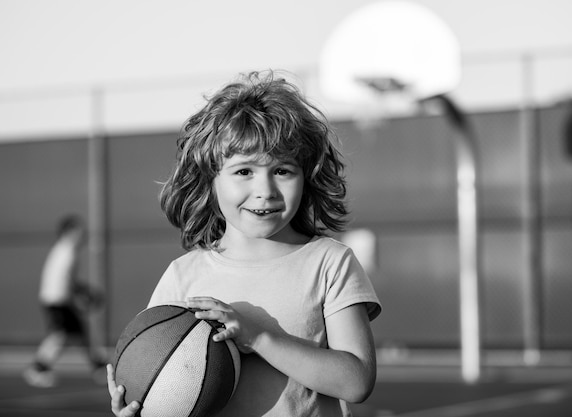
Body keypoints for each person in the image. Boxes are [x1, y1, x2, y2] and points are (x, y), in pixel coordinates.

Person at [107, 70, 381, 417]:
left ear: (306, 176)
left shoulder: (330, 263)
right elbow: (159, 376)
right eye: (243, 171)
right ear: (211, 179)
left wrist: (259, 338)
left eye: (283, 170)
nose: (265, 190)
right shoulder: (183, 276)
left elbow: (356, 382)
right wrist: (139, 403)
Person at [23, 215, 107, 387]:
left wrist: (81, 292)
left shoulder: (64, 250)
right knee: (59, 336)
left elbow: (68, 280)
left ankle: (99, 368)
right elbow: (64, 280)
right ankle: (37, 369)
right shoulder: (67, 251)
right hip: (57, 300)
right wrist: (81, 296)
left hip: (58, 299)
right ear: (68, 232)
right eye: (78, 230)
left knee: (80, 334)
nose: (83, 234)